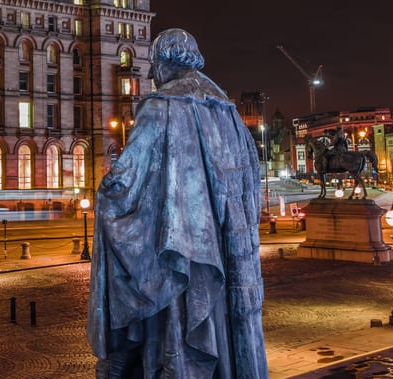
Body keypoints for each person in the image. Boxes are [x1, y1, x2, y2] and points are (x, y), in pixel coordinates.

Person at [87, 28, 268, 379]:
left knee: (176, 331)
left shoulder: (161, 107)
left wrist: (106, 188)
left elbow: (125, 184)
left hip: (181, 256)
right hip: (222, 254)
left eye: (154, 64)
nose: (152, 74)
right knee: (217, 331)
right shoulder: (229, 112)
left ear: (165, 62)